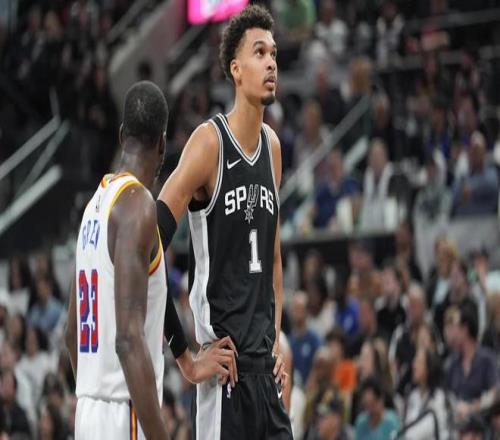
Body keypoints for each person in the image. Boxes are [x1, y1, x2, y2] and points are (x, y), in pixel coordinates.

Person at [64, 81, 237, 439]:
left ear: (121, 134)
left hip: (87, 413)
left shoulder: (94, 207)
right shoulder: (139, 206)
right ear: (162, 143)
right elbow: (128, 341)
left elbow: (71, 334)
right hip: (123, 413)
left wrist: (95, 395)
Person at [156, 5, 291, 439]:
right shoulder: (208, 143)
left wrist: (275, 341)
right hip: (224, 378)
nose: (271, 63)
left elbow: (273, 259)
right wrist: (186, 359)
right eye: (259, 53)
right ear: (235, 69)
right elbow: (147, 245)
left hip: (265, 377)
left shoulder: (272, 148)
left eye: (274, 54)